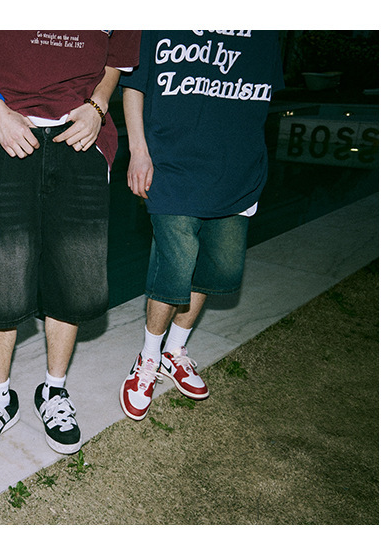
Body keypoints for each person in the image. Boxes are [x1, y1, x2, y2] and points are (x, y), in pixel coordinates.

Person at [0, 30, 141, 459]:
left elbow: (117, 57)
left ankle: (54, 390)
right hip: (4, 129)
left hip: (81, 134)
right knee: (1, 273)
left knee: (73, 274)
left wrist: (98, 105)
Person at [118, 30, 284, 420]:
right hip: (171, 166)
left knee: (215, 267)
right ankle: (148, 357)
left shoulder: (264, 28)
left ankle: (174, 350)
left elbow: (260, 99)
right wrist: (138, 150)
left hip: (236, 175)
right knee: (175, 266)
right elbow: (134, 85)